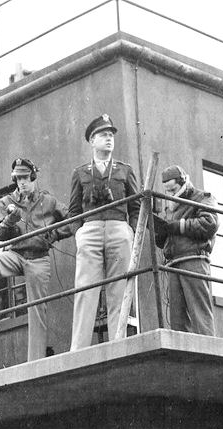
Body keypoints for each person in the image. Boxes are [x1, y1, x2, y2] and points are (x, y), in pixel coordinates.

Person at [0, 157, 69, 361]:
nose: (22, 182)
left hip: (38, 258)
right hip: (16, 254)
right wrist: (9, 221)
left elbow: (72, 219)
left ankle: (36, 360)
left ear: (33, 177)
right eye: (18, 179)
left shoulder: (48, 200)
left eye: (25, 178)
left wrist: (54, 233)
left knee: (37, 308)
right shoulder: (7, 202)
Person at [67, 114, 140, 350]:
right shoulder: (80, 173)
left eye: (111, 135)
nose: (109, 139)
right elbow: (73, 210)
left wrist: (132, 232)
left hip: (119, 229)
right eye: (103, 135)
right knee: (85, 290)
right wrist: (79, 234)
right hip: (90, 230)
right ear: (92, 140)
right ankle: (78, 350)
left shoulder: (125, 170)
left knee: (120, 289)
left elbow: (136, 207)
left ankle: (119, 346)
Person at [153, 165, 220, 335]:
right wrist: (162, 233)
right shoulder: (170, 206)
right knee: (177, 318)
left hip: (194, 260)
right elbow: (170, 235)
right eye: (167, 191)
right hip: (174, 263)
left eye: (173, 189)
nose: (171, 194)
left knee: (200, 314)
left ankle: (207, 355)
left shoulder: (202, 197)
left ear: (183, 182)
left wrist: (177, 226)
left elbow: (209, 224)